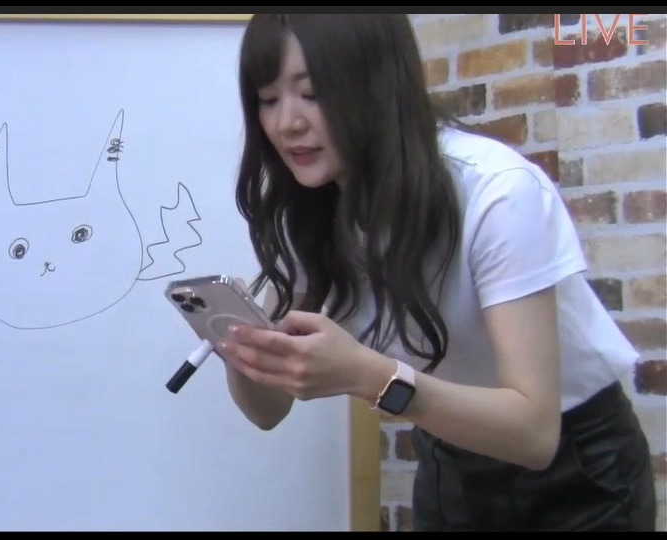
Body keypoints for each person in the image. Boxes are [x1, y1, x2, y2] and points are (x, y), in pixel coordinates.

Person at [213, 13, 657, 531]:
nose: (287, 123)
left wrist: (366, 375)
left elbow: (535, 436)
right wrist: (239, 345)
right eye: (268, 99)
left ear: (378, 85)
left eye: (312, 94)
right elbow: (268, 412)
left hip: (578, 472)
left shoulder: (497, 191)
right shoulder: (311, 212)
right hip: (450, 464)